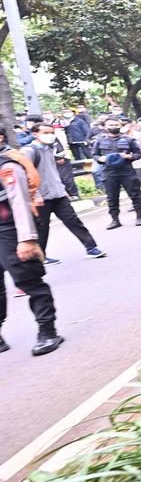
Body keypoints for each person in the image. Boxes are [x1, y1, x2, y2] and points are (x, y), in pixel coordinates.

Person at [0, 144, 65, 356]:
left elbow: (20, 202)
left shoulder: (8, 166)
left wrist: (26, 239)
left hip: (10, 230)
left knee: (30, 281)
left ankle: (47, 331)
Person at [23, 124, 106, 263]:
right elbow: (26, 175)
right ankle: (40, 256)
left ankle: (91, 248)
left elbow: (52, 172)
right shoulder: (29, 151)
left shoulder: (49, 148)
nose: (50, 135)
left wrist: (62, 189)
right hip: (42, 197)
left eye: (51, 132)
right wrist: (36, 195)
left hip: (58, 194)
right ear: (35, 134)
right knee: (42, 228)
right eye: (46, 132)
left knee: (73, 221)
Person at [89, 117, 141, 229]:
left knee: (135, 195)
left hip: (127, 171)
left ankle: (140, 217)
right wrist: (101, 159)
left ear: (120, 126)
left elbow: (138, 154)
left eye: (116, 124)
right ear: (105, 127)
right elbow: (94, 154)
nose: (113, 127)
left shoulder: (129, 139)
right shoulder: (99, 140)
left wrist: (128, 156)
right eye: (110, 125)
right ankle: (115, 220)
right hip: (109, 172)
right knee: (112, 197)